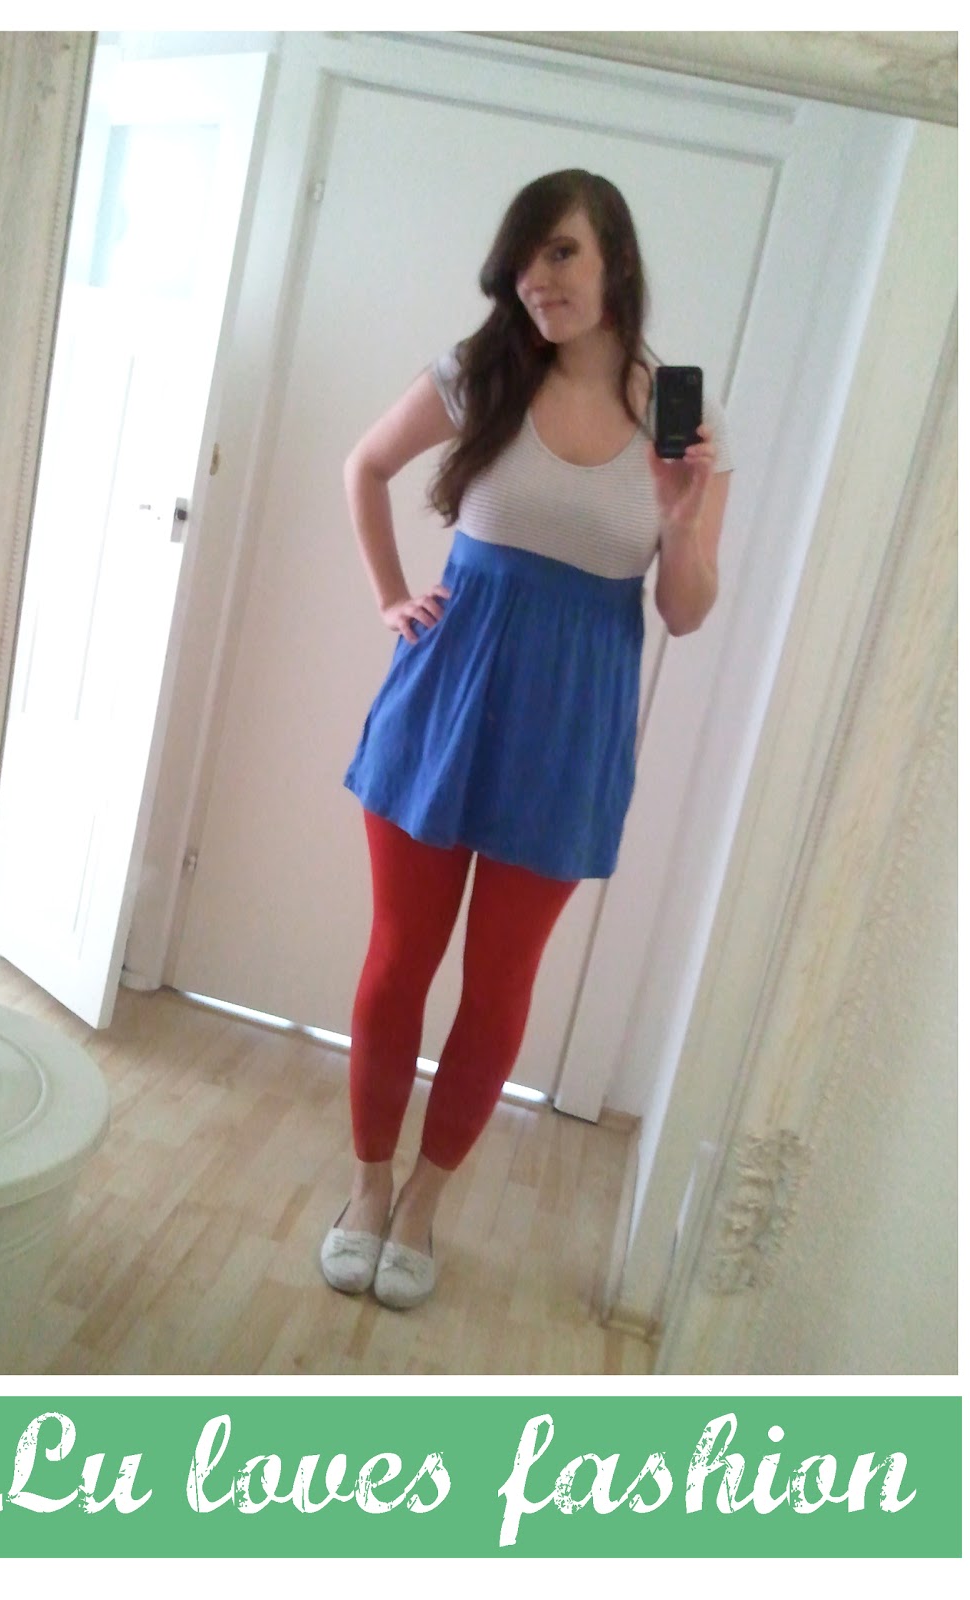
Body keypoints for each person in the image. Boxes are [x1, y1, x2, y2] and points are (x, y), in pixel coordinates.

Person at [321, 168, 733, 1310]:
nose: (535, 280)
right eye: (522, 259)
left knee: (499, 986)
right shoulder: (482, 371)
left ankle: (423, 1205)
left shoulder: (676, 410)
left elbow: (686, 610)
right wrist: (389, 596)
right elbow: (364, 464)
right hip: (443, 701)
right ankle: (366, 1187)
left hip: (569, 728)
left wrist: (681, 519)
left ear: (614, 262)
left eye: (559, 253)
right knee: (398, 959)